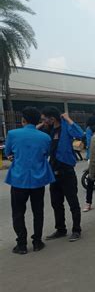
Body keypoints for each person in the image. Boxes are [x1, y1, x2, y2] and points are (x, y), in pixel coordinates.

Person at [4, 107, 55, 254]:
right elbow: (46, 154)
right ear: (37, 121)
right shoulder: (45, 137)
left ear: (23, 120)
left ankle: (21, 245)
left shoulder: (12, 134)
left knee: (18, 212)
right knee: (38, 211)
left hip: (19, 180)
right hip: (38, 180)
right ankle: (37, 242)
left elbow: (8, 152)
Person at [39, 107, 84, 242]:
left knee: (73, 202)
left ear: (52, 118)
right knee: (56, 203)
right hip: (54, 172)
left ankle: (76, 230)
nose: (44, 121)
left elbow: (80, 134)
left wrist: (68, 119)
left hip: (67, 171)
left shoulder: (66, 128)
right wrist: (42, 124)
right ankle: (61, 229)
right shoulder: (50, 130)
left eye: (45, 118)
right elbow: (32, 132)